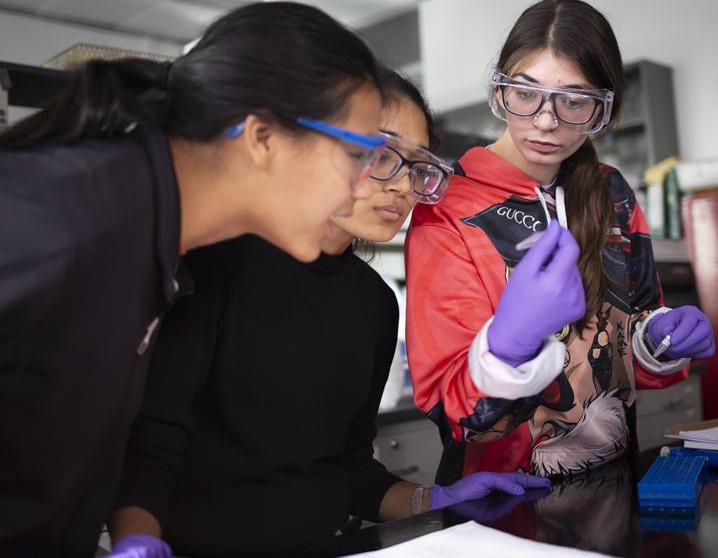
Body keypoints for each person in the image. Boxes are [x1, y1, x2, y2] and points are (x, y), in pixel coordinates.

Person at [0, 1, 389, 557]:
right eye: (357, 154)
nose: (361, 189)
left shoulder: (155, 242)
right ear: (262, 138)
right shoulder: (64, 226)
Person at [108, 71, 550, 558]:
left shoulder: (374, 302)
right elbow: (148, 448)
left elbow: (348, 468)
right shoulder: (213, 266)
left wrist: (435, 498)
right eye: (383, 155)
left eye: (418, 166)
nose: (403, 185)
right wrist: (137, 541)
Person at [404, 0, 716, 483]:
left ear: (602, 107)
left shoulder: (612, 191)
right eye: (525, 94)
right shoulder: (449, 206)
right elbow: (450, 408)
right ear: (499, 91)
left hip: (611, 486)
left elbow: (629, 350)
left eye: (574, 100)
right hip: (500, 499)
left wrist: (657, 340)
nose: (547, 121)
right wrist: (511, 344)